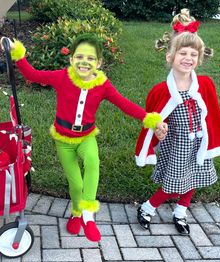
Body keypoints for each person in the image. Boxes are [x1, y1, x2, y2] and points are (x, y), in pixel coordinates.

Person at [0, 33, 163, 242]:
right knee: (76, 184)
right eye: (79, 57)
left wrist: (151, 119)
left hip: (86, 136)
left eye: (90, 58)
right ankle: (76, 212)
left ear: (99, 62)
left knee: (93, 161)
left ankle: (88, 215)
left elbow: (125, 104)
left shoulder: (103, 85)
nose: (84, 62)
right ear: (71, 59)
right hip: (63, 140)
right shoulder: (61, 77)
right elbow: (32, 75)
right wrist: (17, 52)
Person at [135, 9, 220, 235]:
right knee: (172, 184)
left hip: (199, 144)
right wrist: (158, 129)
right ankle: (147, 207)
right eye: (183, 53)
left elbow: (212, 115)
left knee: (194, 179)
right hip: (176, 146)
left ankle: (181, 211)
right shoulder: (160, 90)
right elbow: (153, 120)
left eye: (193, 54)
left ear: (200, 58)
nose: (188, 58)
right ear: (170, 57)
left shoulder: (205, 85)